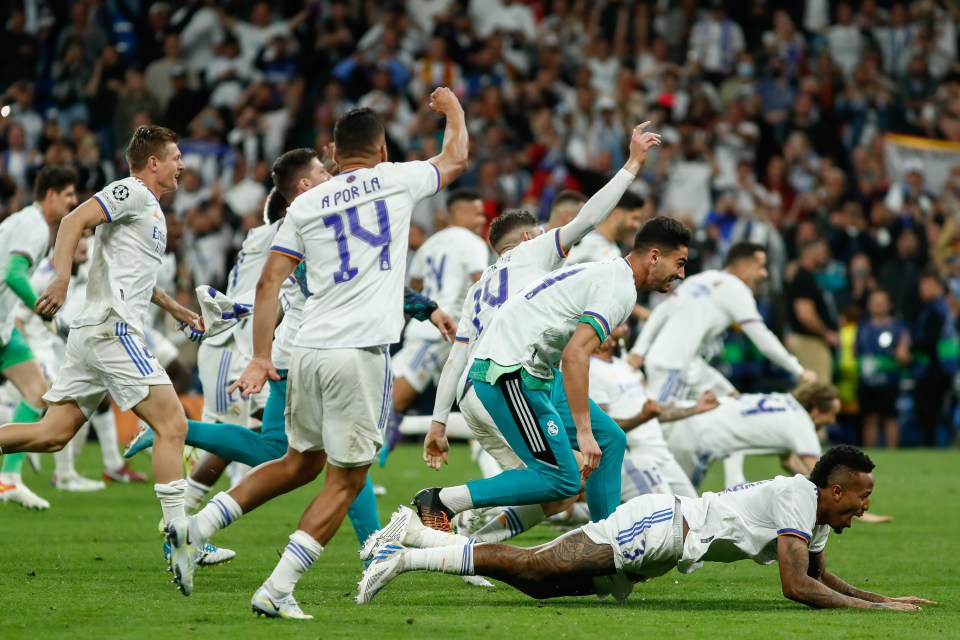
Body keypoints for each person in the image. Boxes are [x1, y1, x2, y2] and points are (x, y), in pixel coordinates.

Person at [183, 91, 469, 618]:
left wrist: (260, 356)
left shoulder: (307, 203)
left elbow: (269, 282)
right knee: (348, 480)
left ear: (335, 157)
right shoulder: (398, 178)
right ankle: (278, 588)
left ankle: (193, 528)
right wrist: (452, 111)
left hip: (305, 351)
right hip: (358, 353)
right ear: (382, 149)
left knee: (299, 462)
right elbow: (454, 159)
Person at [416, 124, 666, 541]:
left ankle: (600, 545)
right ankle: (461, 529)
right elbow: (589, 217)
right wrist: (632, 165)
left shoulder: (479, 289)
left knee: (603, 445)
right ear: (531, 237)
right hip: (506, 379)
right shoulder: (536, 251)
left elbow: (455, 358)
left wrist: (439, 422)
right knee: (560, 482)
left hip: (490, 383)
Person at [359, 445, 933, 611]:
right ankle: (408, 547)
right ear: (835, 489)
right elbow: (796, 586)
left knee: (538, 581)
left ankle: (414, 540)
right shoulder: (795, 495)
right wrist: (880, 613)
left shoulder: (817, 519)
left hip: (666, 548)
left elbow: (821, 578)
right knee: (536, 568)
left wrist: (887, 597)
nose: (864, 507)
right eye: (862, 496)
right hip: (661, 526)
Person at [0, 125, 203, 594]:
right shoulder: (130, 190)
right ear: (152, 162)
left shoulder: (150, 209)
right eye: (174, 157)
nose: (181, 165)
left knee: (52, 435)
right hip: (112, 330)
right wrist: (61, 278)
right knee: (173, 424)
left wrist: (175, 308)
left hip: (98, 331)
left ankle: (184, 536)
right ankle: (182, 539)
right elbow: (72, 222)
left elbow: (132, 276)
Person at [630, 241, 815, 404]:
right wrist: (798, 370)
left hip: (690, 364)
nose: (764, 274)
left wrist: (638, 351)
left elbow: (661, 312)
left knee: (732, 400)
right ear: (742, 266)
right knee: (657, 427)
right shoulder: (737, 289)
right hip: (673, 366)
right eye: (760, 266)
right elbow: (763, 338)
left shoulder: (703, 278)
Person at [383, 189, 489, 462]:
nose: (482, 218)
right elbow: (481, 283)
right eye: (477, 212)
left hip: (428, 329)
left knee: (478, 401)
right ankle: (358, 471)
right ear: (459, 212)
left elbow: (414, 286)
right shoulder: (473, 243)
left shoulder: (431, 243)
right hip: (441, 333)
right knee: (391, 403)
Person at [0, 166, 79, 509]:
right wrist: (41, 307)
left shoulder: (28, 223)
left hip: (3, 331)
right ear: (50, 196)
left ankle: (8, 479)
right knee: (38, 392)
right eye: (68, 195)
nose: (74, 201)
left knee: (36, 391)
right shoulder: (33, 226)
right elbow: (14, 273)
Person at [588, 324, 718, 501]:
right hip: (637, 457)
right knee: (665, 515)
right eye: (616, 326)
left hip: (662, 453)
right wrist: (642, 417)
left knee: (695, 511)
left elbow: (654, 411)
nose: (624, 329)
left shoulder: (625, 367)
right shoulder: (591, 371)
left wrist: (696, 408)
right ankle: (569, 513)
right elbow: (600, 429)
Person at [663, 383, 837, 488]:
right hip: (695, 439)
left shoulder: (784, 401)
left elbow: (788, 461)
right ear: (816, 411)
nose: (833, 420)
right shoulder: (801, 425)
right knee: (678, 507)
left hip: (680, 413)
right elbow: (821, 474)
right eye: (832, 414)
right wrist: (849, 507)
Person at [855, 289, 910, 449]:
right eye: (874, 301)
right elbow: (855, 351)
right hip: (866, 381)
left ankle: (892, 452)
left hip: (889, 381)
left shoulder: (898, 328)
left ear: (889, 304)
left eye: (881, 301)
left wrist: (900, 355)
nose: (878, 305)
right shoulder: (862, 328)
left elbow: (905, 354)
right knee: (868, 417)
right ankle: (868, 455)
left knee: (890, 417)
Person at [912, 270, 957, 447]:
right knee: (933, 410)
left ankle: (933, 445)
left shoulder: (937, 309)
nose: (921, 288)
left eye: (926, 284)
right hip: (941, 365)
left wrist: (911, 348)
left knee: (928, 409)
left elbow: (930, 339)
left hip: (935, 366)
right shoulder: (937, 308)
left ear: (938, 287)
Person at [786, 238, 838, 383]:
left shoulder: (807, 277)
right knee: (817, 391)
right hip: (809, 342)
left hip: (810, 341)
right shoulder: (804, 278)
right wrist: (827, 334)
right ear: (810, 254)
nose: (826, 256)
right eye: (823, 252)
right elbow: (805, 315)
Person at [564, 192, 644, 264]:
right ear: (617, 214)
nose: (637, 225)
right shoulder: (585, 239)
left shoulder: (614, 250)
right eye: (634, 218)